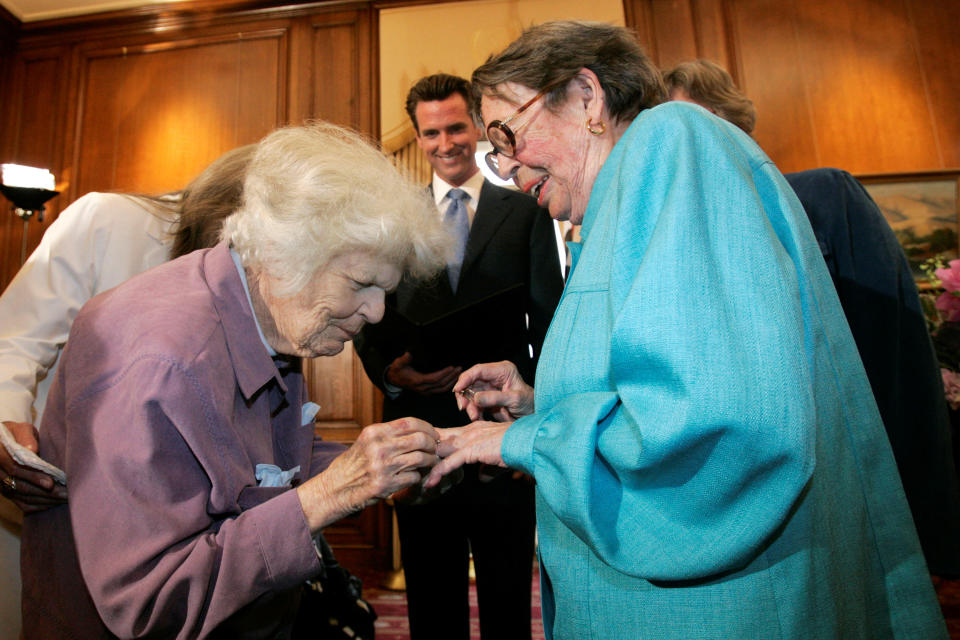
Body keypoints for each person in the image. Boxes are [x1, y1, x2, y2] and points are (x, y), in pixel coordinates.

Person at [425, 20, 948, 638]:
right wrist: (537, 404)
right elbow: (674, 385)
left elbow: (715, 428)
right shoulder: (619, 201)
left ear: (587, 97)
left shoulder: (672, 140)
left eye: (507, 134)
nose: (507, 169)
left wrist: (514, 443)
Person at [19, 121, 450, 638]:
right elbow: (152, 604)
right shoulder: (161, 363)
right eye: (361, 284)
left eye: (387, 292)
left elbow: (247, 468)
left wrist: (400, 461)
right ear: (285, 252)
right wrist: (332, 493)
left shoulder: (267, 312)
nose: (378, 314)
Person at [664, 58, 960, 577]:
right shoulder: (676, 241)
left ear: (725, 119)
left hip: (856, 472)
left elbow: (894, 354)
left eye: (685, 120)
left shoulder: (824, 198)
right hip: (754, 501)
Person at [0, 144, 254, 636]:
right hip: (48, 496)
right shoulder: (105, 220)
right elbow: (14, 340)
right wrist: (7, 430)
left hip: (161, 527)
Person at [355, 73, 563, 640]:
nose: (445, 143)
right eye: (430, 133)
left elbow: (548, 321)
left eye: (455, 127)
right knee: (431, 600)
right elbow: (370, 317)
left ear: (476, 125)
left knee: (505, 595)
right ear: (418, 137)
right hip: (418, 434)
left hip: (502, 436)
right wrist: (391, 371)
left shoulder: (524, 212)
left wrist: (538, 422)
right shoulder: (394, 222)